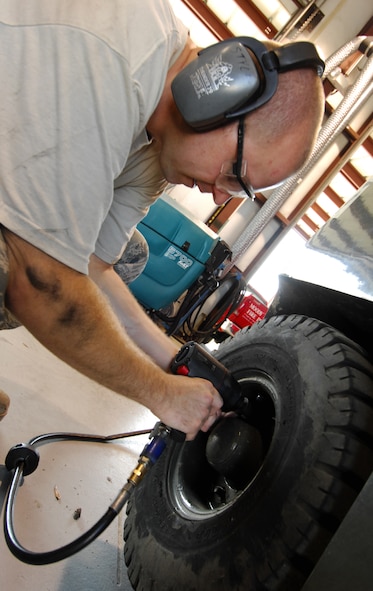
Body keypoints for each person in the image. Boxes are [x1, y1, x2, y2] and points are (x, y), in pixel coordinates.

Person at [0, 0, 325, 439]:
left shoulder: (158, 152)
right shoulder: (117, 60)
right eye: (233, 173)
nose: (217, 192)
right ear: (215, 96)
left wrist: (174, 359)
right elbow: (41, 280)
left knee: (128, 255)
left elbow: (93, 265)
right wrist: (161, 394)